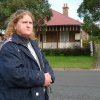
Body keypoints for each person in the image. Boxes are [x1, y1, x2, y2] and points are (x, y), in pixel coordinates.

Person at [0, 10, 55, 100]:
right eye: (24, 22)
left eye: (31, 23)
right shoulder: (8, 46)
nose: (28, 25)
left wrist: (50, 76)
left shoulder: (34, 45)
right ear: (15, 25)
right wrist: (42, 78)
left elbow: (45, 63)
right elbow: (14, 74)